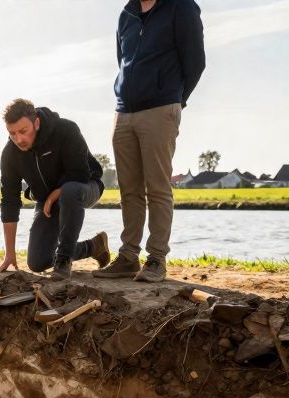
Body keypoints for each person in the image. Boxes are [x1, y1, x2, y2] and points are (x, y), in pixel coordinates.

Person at [95, 0, 205, 283]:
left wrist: (175, 100)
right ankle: (128, 257)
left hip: (161, 108)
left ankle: (156, 258)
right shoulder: (126, 14)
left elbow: (196, 62)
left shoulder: (181, 7)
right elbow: (123, 60)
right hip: (124, 112)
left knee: (157, 187)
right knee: (129, 190)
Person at [0, 99, 110, 277]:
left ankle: (64, 259)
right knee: (37, 262)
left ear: (36, 123)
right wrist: (9, 254)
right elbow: (9, 201)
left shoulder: (66, 129)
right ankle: (93, 246)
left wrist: (55, 194)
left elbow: (80, 173)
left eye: (23, 131)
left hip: (84, 187)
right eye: (12, 133)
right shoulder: (10, 153)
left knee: (70, 191)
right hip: (46, 199)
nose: (18, 139)